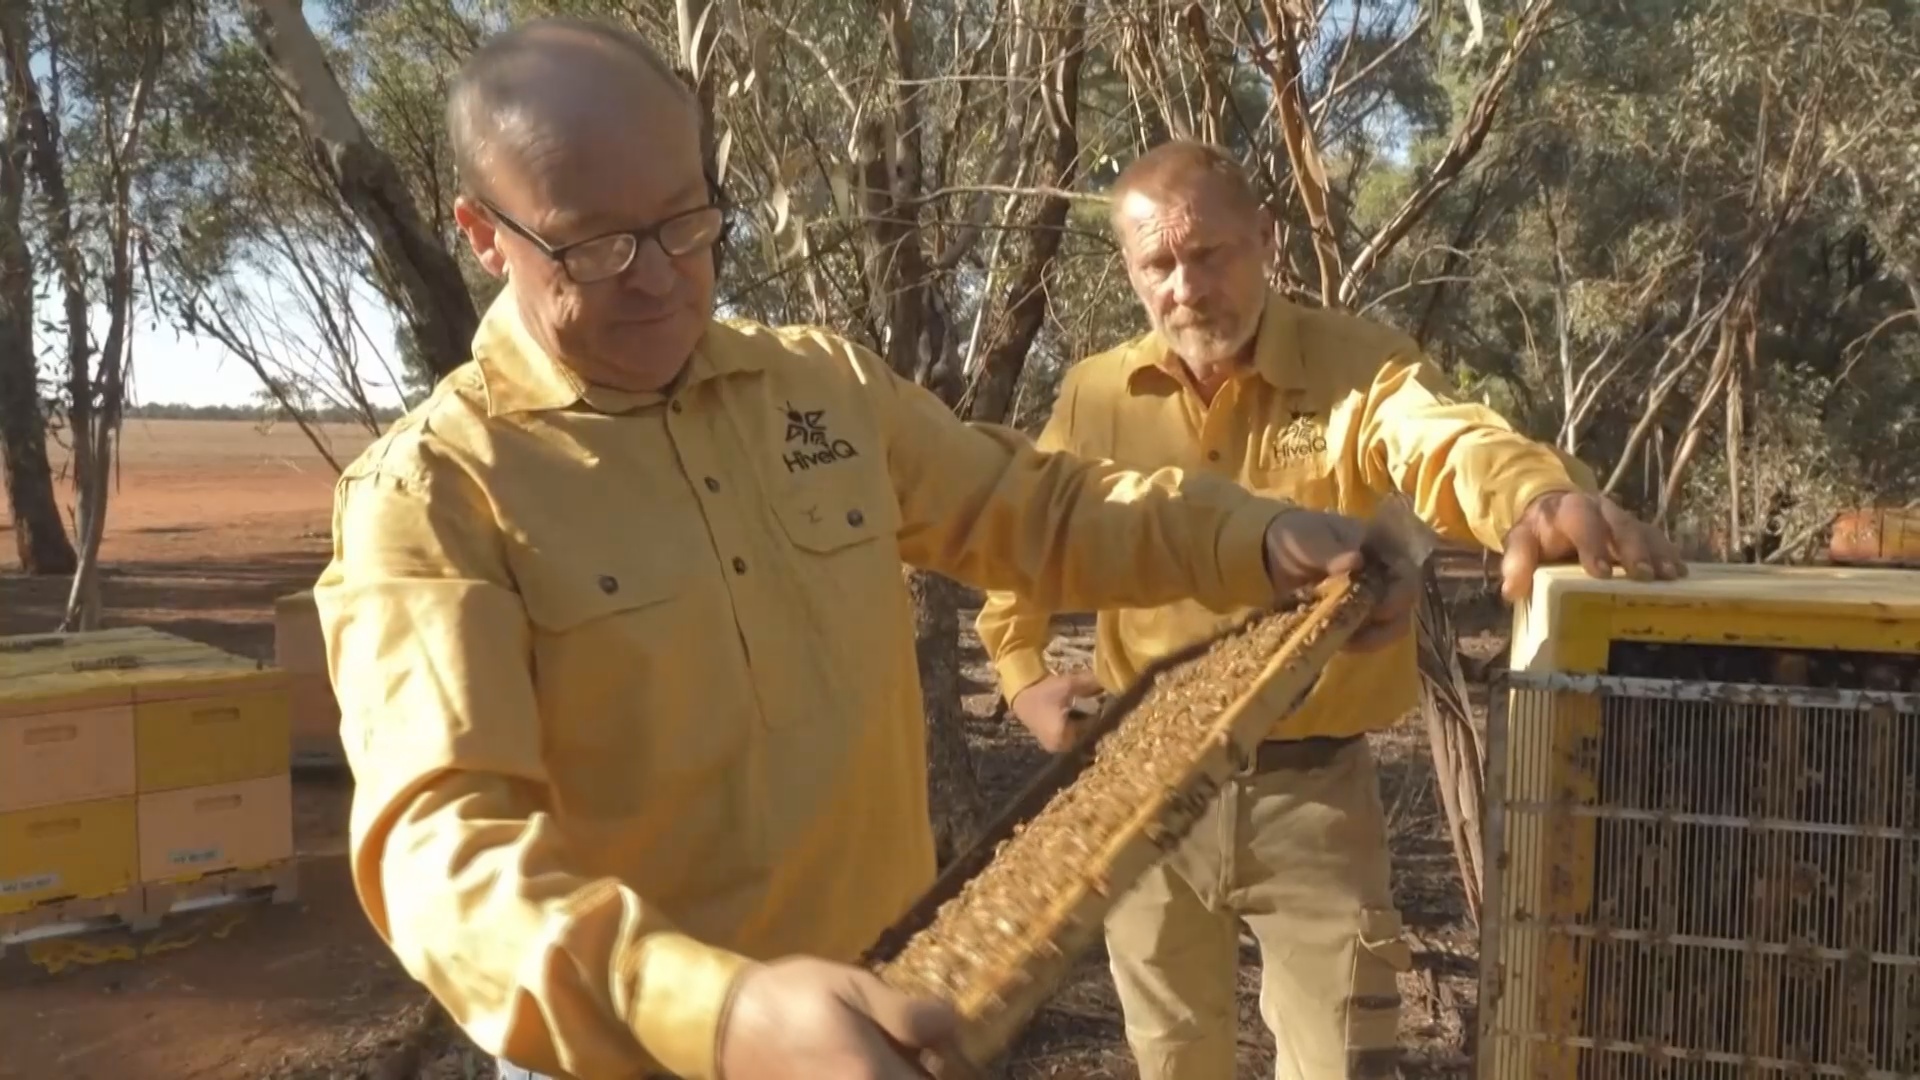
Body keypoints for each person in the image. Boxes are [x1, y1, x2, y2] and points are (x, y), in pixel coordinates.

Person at [311, 22, 1423, 1080]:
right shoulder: (431, 496)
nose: (657, 275)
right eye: (596, 244)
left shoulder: (819, 388)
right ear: (482, 233)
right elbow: (442, 853)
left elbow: (1036, 508)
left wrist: (1258, 536)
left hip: (904, 1013)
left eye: (687, 222)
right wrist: (724, 1013)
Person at [975, 141, 1686, 1080]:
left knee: (1341, 1060)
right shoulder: (1093, 394)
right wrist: (1022, 679)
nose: (1186, 287)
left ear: (1265, 240)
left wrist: (1533, 498)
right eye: (1158, 264)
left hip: (1313, 795)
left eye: (1210, 254)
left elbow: (1444, 441)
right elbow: (1027, 539)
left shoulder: (1357, 367)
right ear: (1129, 271)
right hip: (1141, 793)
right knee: (1169, 1058)